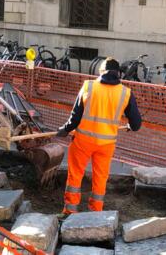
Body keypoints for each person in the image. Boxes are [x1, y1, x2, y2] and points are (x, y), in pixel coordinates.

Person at [56, 57, 141, 215]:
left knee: (75, 175)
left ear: (101, 71)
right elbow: (136, 125)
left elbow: (75, 117)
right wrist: (130, 125)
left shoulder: (88, 86)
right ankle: (96, 214)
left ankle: (69, 212)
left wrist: (65, 129)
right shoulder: (126, 93)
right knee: (100, 178)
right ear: (118, 74)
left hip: (83, 141)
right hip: (106, 145)